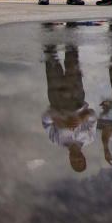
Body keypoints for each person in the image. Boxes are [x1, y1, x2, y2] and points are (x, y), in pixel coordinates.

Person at [41, 44, 97, 173]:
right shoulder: (89, 138)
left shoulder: (57, 141)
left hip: (57, 100)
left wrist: (61, 121)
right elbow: (93, 116)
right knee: (72, 61)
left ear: (69, 159)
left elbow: (45, 119)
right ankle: (70, 34)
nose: (77, 159)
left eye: (74, 162)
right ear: (84, 157)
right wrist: (82, 118)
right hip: (77, 99)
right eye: (81, 161)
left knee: (51, 60)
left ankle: (48, 35)